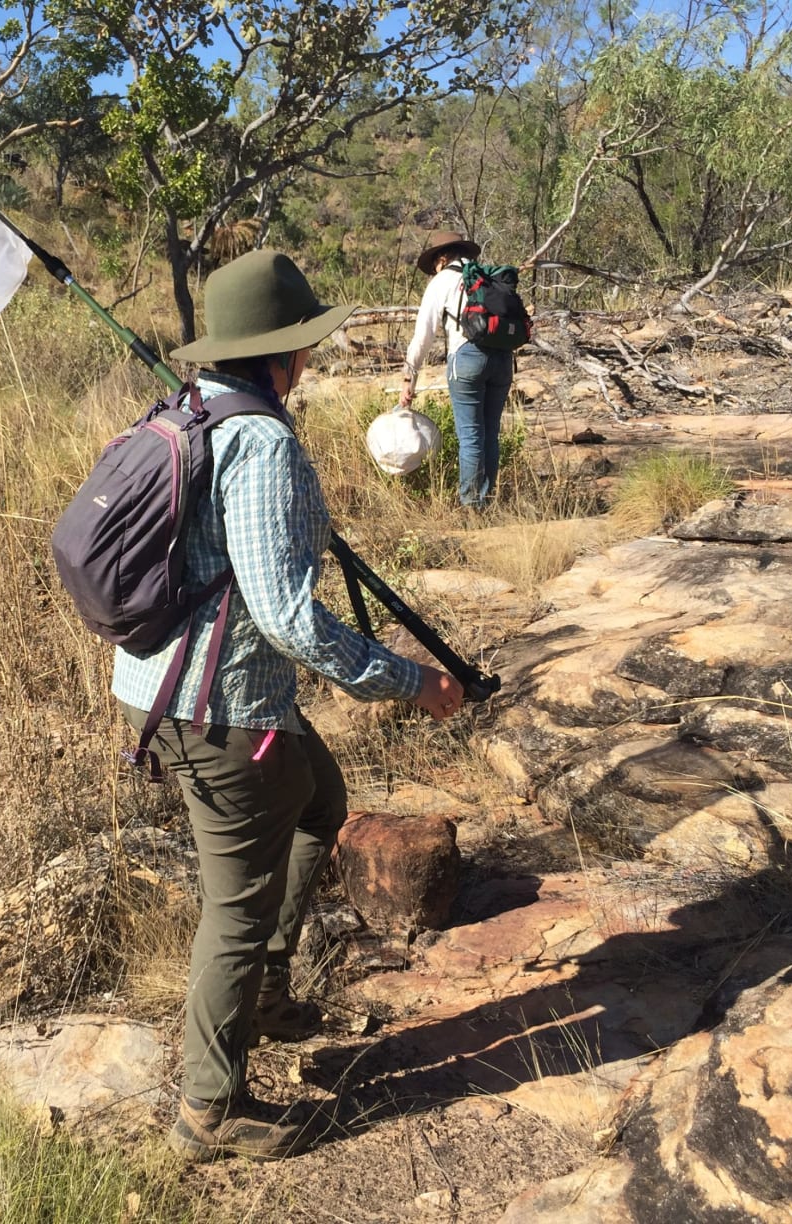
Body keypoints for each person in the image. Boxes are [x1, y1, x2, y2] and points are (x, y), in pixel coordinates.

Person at [114, 249, 466, 1162]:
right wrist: (406, 680)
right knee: (235, 907)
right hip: (221, 707)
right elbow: (282, 615)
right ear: (285, 355)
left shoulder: (191, 408)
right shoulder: (260, 439)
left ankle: (267, 988)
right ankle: (208, 1109)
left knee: (320, 800)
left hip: (166, 685)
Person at [398, 229, 515, 510]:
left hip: (466, 358)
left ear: (441, 258)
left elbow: (423, 335)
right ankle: (487, 502)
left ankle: (471, 506)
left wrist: (409, 377)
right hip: (502, 359)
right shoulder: (485, 275)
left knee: (471, 435)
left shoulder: (442, 282)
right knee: (490, 433)